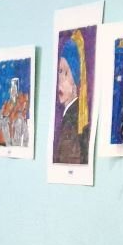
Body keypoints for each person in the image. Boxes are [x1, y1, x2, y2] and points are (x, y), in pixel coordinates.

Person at [53, 30, 90, 166]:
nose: (60, 80)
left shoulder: (72, 120)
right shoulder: (68, 116)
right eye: (59, 71)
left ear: (76, 80)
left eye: (66, 73)